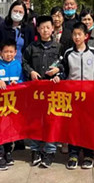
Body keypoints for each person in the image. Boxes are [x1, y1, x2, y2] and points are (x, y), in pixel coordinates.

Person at [59, 22, 94, 170]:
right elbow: (64, 71)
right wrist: (59, 77)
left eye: (79, 34)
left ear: (86, 36)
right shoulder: (68, 53)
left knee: (88, 126)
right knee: (73, 126)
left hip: (89, 96)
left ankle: (88, 155)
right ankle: (73, 154)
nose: (77, 37)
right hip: (72, 97)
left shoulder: (93, 52)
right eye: (74, 34)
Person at [22, 15, 62, 168]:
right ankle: (35, 150)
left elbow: (64, 63)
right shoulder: (32, 47)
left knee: (51, 120)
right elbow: (24, 62)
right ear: (38, 29)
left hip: (53, 91)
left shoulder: (58, 47)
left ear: (53, 29)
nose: (45, 30)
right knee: (35, 120)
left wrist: (58, 71)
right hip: (36, 91)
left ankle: (50, 151)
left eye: (48, 27)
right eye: (42, 27)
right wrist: (31, 72)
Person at [0, 40, 24, 171]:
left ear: (15, 52)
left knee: (10, 129)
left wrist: (18, 83)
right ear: (1, 53)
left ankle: (8, 152)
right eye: (5, 52)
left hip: (13, 104)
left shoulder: (18, 65)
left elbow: (23, 81)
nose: (8, 54)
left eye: (11, 52)